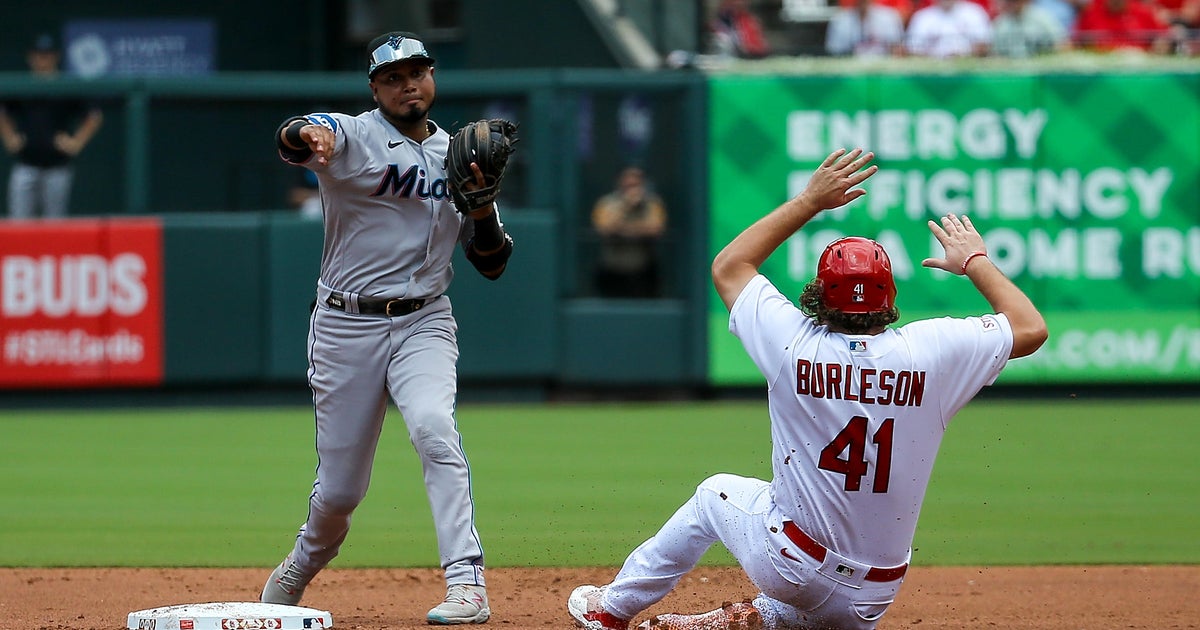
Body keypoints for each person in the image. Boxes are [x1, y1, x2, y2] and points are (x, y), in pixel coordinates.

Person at [567, 148, 1048, 630]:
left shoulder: (793, 342)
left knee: (715, 495)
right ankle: (727, 622)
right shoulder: (933, 352)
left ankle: (611, 609)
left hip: (795, 567)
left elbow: (730, 266)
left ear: (818, 292)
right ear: (891, 297)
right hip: (875, 596)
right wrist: (975, 261)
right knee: (796, 604)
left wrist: (810, 201)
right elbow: (1030, 328)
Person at [261, 31, 513, 626]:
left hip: (425, 318)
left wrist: (479, 208)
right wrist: (309, 135)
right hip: (345, 326)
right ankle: (300, 564)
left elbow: (494, 262)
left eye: (417, 73)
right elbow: (292, 135)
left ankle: (466, 582)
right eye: (393, 77)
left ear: (433, 77)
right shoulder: (352, 136)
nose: (408, 85)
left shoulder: (458, 156)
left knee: (433, 428)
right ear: (375, 88)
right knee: (340, 493)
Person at [0, 33, 103, 219]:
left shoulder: (66, 86)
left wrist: (76, 142)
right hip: (26, 165)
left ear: (56, 57)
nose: (42, 59)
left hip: (58, 167)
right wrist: (9, 137)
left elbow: (94, 115)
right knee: (18, 226)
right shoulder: (22, 85)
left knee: (55, 227)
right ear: (30, 57)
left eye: (47, 54)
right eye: (39, 54)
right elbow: (3, 111)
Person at [591, 166, 668, 299]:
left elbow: (656, 228)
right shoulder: (607, 203)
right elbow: (605, 228)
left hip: (642, 269)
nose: (632, 189)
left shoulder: (652, 204)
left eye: (636, 184)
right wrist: (625, 207)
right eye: (628, 184)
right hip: (612, 268)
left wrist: (625, 229)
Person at [1073, 0, 1173, 52]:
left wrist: (1162, 44)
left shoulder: (1143, 12)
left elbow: (1164, 36)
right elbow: (1075, 41)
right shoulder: (1090, 13)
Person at [905, 0, 994, 56]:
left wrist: (963, 56)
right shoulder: (921, 17)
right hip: (931, 74)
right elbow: (912, 49)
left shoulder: (975, 13)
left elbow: (985, 45)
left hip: (969, 73)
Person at [825, 0, 908, 56]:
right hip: (851, 71)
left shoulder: (889, 16)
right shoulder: (840, 20)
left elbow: (897, 49)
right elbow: (834, 51)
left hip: (884, 71)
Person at [991, 0, 1070, 56]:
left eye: (1014, 1)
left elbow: (1063, 44)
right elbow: (995, 54)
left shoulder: (1042, 18)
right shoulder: (1000, 23)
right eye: (1008, 1)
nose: (1011, 3)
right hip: (1011, 72)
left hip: (1039, 71)